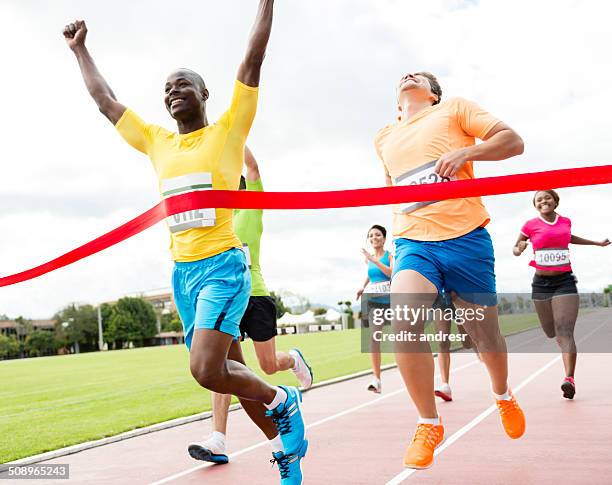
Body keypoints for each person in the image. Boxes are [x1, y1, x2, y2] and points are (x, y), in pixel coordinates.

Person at [63, 5, 308, 483]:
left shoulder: (229, 130)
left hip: (222, 266)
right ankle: (285, 451)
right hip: (183, 274)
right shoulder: (157, 141)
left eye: (182, 84)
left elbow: (251, 60)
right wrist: (81, 50)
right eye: (167, 88)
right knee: (228, 376)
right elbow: (105, 100)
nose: (172, 91)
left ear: (204, 94)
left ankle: (284, 400)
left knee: (204, 370)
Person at [374, 71, 526, 469]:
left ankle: (502, 394)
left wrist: (466, 154)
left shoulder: (454, 109)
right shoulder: (383, 137)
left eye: (421, 76)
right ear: (397, 100)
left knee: (485, 338)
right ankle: (428, 422)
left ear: (434, 94)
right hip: (413, 242)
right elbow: (392, 191)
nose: (409, 74)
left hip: (466, 239)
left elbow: (513, 142)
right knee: (403, 320)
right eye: (404, 76)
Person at [189, 147, 313, 464]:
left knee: (268, 365)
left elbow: (253, 166)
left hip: (255, 294)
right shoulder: (217, 223)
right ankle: (217, 438)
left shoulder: (251, 209)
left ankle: (293, 359)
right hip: (226, 297)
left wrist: (230, 136)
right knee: (217, 366)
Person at [513, 189, 610, 399]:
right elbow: (515, 247)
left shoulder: (565, 221)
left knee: (565, 332)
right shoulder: (530, 225)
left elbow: (569, 237)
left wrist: (596, 243)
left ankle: (569, 379)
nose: (543, 201)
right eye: (539, 199)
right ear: (535, 205)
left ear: (555, 202)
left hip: (564, 282)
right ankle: (560, 340)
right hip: (540, 284)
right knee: (551, 332)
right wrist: (519, 248)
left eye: (547, 197)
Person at [356, 225, 393, 393]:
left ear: (384, 239)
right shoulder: (368, 260)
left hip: (391, 301)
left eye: (378, 235)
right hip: (374, 301)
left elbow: (390, 273)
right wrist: (362, 287)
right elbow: (370, 274)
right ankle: (376, 379)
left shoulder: (390, 256)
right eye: (371, 235)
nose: (374, 238)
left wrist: (374, 259)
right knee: (374, 338)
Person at [432, 292, 475, 402]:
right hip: (440, 299)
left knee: (467, 343)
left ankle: (477, 341)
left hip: (459, 296)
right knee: (442, 341)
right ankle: (445, 385)